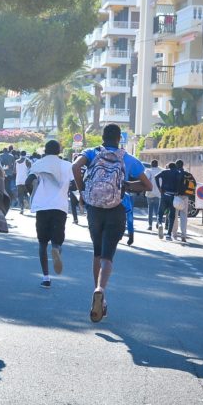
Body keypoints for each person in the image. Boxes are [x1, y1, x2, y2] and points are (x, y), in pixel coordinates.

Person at [72, 124, 150, 323]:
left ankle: (97, 293)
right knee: (108, 256)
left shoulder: (92, 153)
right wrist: (126, 184)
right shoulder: (129, 159)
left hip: (94, 209)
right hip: (116, 210)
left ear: (103, 137)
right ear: (119, 139)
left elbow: (75, 167)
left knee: (97, 252)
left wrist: (82, 192)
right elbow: (147, 186)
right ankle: (101, 289)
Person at [25, 140, 74, 288]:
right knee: (57, 240)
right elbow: (75, 184)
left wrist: (32, 193)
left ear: (45, 150)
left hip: (42, 206)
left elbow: (28, 181)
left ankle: (46, 278)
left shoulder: (38, 164)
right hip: (60, 206)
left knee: (42, 243)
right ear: (59, 151)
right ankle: (56, 249)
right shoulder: (67, 165)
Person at [156, 162, 183, 241]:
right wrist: (177, 191)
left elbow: (156, 177)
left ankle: (160, 223)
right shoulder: (178, 173)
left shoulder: (164, 172)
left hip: (164, 194)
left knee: (160, 212)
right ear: (175, 167)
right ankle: (168, 234)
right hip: (173, 196)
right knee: (172, 216)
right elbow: (179, 183)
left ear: (169, 167)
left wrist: (159, 187)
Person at [144, 159, 163, 232]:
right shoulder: (161, 171)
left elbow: (145, 179)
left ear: (151, 164)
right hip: (158, 193)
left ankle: (150, 225)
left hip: (149, 192)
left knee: (150, 209)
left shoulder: (148, 171)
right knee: (157, 209)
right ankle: (158, 222)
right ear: (157, 165)